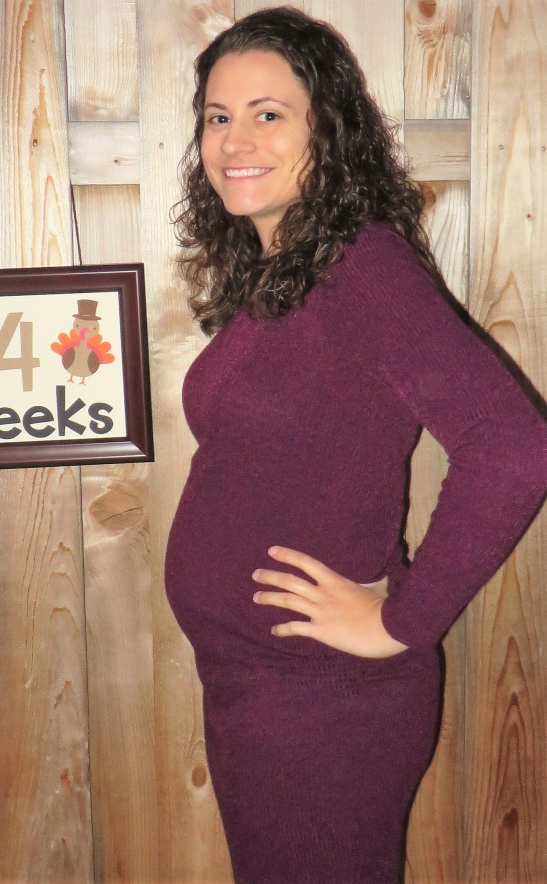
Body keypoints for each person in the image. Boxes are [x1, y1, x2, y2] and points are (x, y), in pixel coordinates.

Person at [164, 7, 547, 882]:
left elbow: (512, 446)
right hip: (262, 686)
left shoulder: (360, 267)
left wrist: (398, 623)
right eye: (217, 117)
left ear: (326, 130)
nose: (234, 141)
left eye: (268, 114)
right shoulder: (287, 274)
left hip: (321, 703)